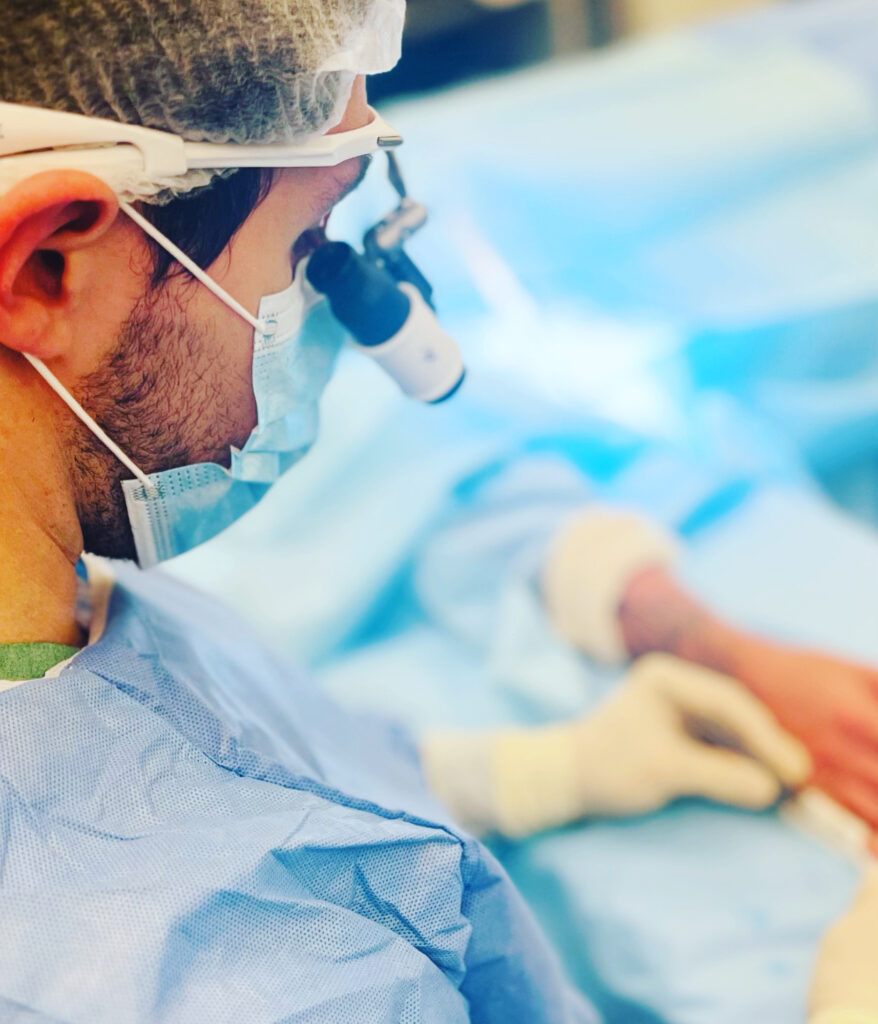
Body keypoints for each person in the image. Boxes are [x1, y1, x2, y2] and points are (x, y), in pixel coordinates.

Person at [0, 1, 873, 1020]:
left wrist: (529, 775)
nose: (349, 324)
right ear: (46, 270)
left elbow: (241, 771)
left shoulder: (64, 589)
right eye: (308, 247)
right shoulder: (237, 983)